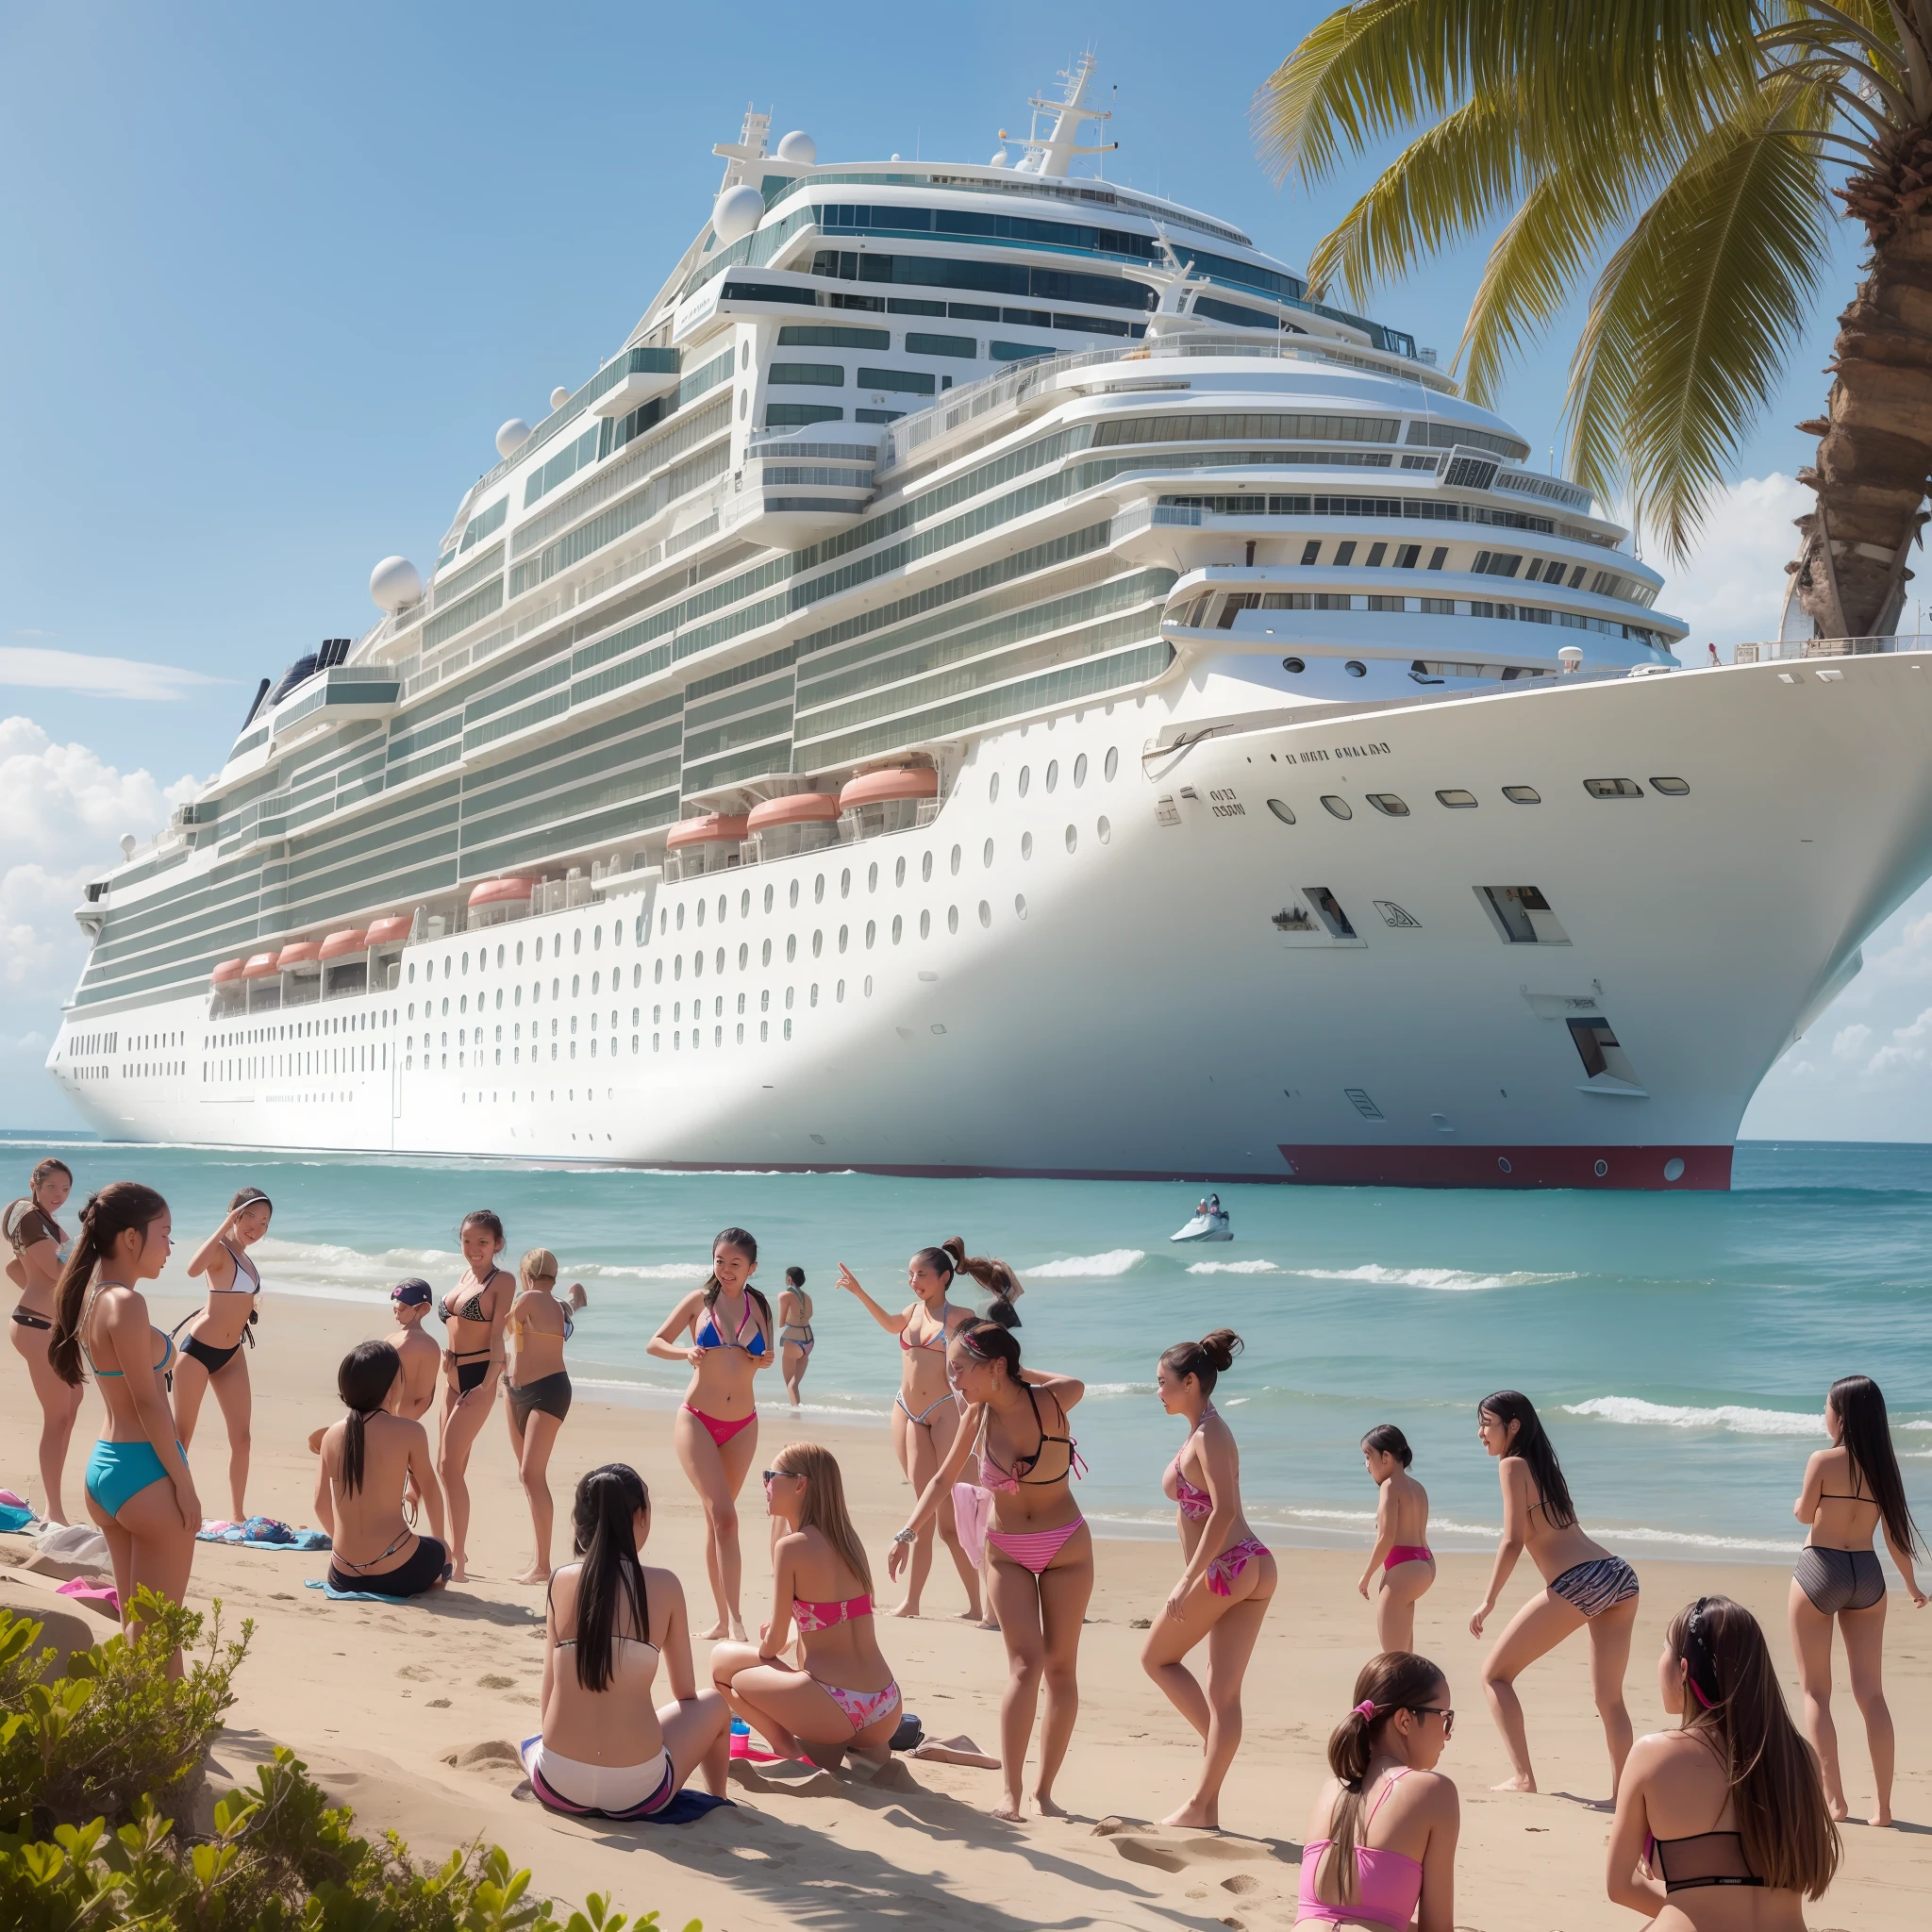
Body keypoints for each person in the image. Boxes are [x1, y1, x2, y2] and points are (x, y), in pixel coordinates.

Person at [891, 1319, 1088, 1820]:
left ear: (996, 1367)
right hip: (1007, 1550)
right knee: (1025, 1667)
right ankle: (1012, 1793)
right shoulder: (975, 1417)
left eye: (959, 1369)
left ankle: (1045, 1792)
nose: (952, 1379)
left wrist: (1014, 1371)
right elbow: (940, 1479)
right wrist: (907, 1534)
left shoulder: (1053, 1400)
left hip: (1066, 1546)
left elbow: (1078, 1383)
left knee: (1061, 1669)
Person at [1607, 1596, 1840, 1927]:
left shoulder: (1652, 1755)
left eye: (1665, 1648)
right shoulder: (1800, 1758)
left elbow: (1620, 1887)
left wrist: (1689, 1902)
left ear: (1684, 1669)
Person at [522, 1463, 730, 1820]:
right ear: (640, 1515)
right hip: (637, 1789)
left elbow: (550, 1693)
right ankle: (721, 1798)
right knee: (713, 1704)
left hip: (557, 1781)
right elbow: (684, 1694)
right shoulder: (665, 1586)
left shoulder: (560, 1580)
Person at [46, 1182, 199, 1665]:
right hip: (145, 1473)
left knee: (138, 1621)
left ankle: (136, 1731)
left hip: (106, 1471)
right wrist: (185, 1483)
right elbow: (151, 1405)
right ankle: (165, 1736)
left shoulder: (92, 1298)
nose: (170, 1249)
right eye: (165, 1235)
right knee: (162, 1632)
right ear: (131, 1238)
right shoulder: (127, 1304)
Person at [1469, 1390, 1639, 1797]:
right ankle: (1626, 1796)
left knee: (1494, 1677)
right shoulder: (1545, 1467)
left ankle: (1523, 1778)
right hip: (1618, 1573)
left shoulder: (1512, 1466)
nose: (1480, 1433)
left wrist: (1489, 1599)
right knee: (1609, 1699)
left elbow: (1512, 1540)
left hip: (1581, 1580)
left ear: (1513, 1427)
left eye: (1487, 1423)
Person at [1142, 1329, 1275, 1828]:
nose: (1157, 1391)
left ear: (1191, 1382)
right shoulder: (1201, 1431)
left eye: (1163, 1382)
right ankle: (1207, 1803)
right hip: (1244, 1566)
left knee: (1156, 1657)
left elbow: (1224, 1512)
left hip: (1231, 1565)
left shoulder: (1212, 1434)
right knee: (1222, 1696)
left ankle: (1209, 1761)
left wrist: (1185, 1580)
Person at [1788, 1374, 1925, 1825]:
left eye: (1826, 1407)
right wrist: (1911, 1587)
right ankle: (1883, 1808)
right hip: (1866, 1574)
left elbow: (1804, 1515)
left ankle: (1836, 1801)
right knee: (1872, 1694)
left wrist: (1806, 1501)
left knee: (1816, 1691)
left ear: (1841, 1416)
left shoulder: (1823, 1460)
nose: (1824, 1415)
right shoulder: (1883, 1468)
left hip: (1820, 1569)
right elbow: (1893, 1537)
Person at [711, 1442, 903, 1766]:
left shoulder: (791, 1548)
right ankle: (848, 1750)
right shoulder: (850, 1542)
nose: (766, 1485)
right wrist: (790, 1639)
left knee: (723, 1666)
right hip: (885, 1706)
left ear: (800, 1484)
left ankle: (790, 1753)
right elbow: (837, 1624)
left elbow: (769, 1648)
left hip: (834, 1706)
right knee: (780, 1673)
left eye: (771, 1476)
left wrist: (772, 1641)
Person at [838, 1240, 992, 1619]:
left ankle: (980, 1605)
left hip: (945, 1412)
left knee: (955, 1518)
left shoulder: (961, 1317)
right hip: (909, 1412)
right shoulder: (910, 1312)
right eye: (909, 1274)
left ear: (943, 1277)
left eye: (921, 1274)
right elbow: (890, 1324)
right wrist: (859, 1292)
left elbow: (990, 1358)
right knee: (922, 1511)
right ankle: (912, 1602)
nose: (913, 1280)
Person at [647, 1226, 773, 1641]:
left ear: (752, 1268)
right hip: (697, 1419)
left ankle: (721, 1619)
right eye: (720, 1261)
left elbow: (755, 1362)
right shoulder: (699, 1302)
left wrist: (764, 1360)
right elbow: (655, 1343)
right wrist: (686, 1351)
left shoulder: (761, 1308)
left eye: (736, 1263)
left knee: (717, 1521)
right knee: (725, 1516)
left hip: (743, 1425)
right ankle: (736, 1621)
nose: (726, 1269)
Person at [1295, 1651, 1459, 1930]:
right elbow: (1438, 1927)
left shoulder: (1332, 1789)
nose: (1447, 1733)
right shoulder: (1434, 1791)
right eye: (1444, 1717)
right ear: (1405, 1720)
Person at [312, 1341, 449, 1598]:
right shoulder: (410, 1431)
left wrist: (350, 1552)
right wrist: (441, 1544)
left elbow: (320, 1505)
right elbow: (430, 1489)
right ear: (392, 1386)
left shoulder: (330, 1435)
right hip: (396, 1570)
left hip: (343, 1573)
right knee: (442, 1549)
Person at [172, 1187, 272, 1523]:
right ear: (234, 1214)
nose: (256, 1228)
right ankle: (169, 1503)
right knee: (181, 1437)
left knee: (242, 1439)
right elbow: (192, 1268)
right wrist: (224, 1224)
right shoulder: (220, 1251)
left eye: (264, 1223)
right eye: (250, 1218)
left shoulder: (245, 1256)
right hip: (198, 1353)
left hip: (231, 1353)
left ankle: (238, 1515)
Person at [436, 1209, 512, 1582]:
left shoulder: (503, 1281)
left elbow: (497, 1334)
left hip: (478, 1378)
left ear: (497, 1243)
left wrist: (488, 1384)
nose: (473, 1248)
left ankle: (459, 1559)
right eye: (467, 1241)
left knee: (449, 1467)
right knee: (448, 1467)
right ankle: (447, 1549)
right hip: (452, 1375)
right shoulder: (465, 1275)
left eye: (482, 1241)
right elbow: (455, 1324)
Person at [6, 1156, 81, 1524]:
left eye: (66, 1188)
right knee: (58, 1417)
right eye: (51, 1186)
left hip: (51, 1327)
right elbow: (55, 1270)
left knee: (70, 1408)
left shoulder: (44, 1221)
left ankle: (53, 1501)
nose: (59, 1194)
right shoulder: (29, 1215)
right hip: (35, 1326)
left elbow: (12, 1268)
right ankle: (54, 1510)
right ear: (34, 1183)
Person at [505, 1247, 586, 1585]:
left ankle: (542, 1565)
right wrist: (573, 1302)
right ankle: (538, 1558)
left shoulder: (528, 1298)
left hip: (545, 1391)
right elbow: (564, 1309)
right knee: (528, 1477)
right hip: (519, 1391)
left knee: (530, 1473)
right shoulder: (554, 1306)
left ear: (525, 1275)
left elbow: (503, 1331)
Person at [1359, 1424, 1435, 1652]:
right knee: (1405, 1655)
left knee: (1393, 1658)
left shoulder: (1390, 1487)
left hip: (1404, 1568)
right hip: (1425, 1564)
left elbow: (1386, 1537)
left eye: (1367, 1456)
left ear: (1385, 1457)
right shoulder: (1418, 1487)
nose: (1367, 1466)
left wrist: (1367, 1575)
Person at [778, 1266, 813, 1407]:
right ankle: (797, 1409)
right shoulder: (808, 1297)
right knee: (795, 1384)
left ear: (789, 1279)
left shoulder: (784, 1295)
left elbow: (781, 1322)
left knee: (790, 1385)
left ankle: (796, 1415)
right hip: (809, 1341)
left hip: (793, 1339)